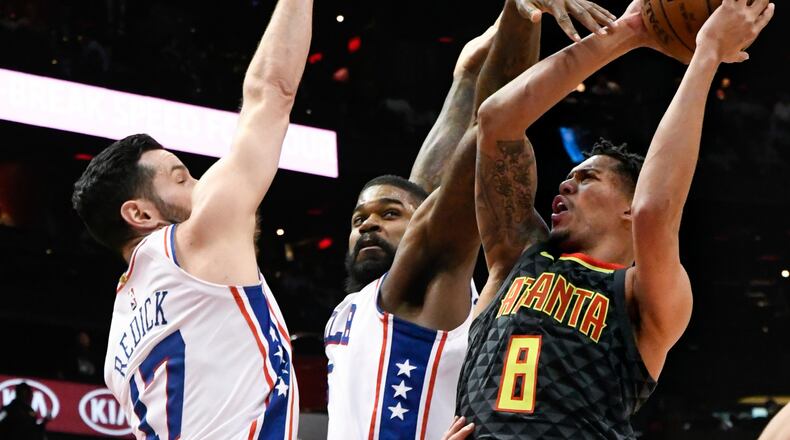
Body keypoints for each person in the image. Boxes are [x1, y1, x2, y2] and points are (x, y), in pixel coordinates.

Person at [455, 0, 775, 438]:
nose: (565, 184)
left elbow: (654, 211)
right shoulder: (517, 258)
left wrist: (707, 53)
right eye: (569, 177)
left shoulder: (642, 294)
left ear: (628, 206)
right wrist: (628, 31)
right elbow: (496, 122)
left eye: (587, 178)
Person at [325, 0, 616, 438]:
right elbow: (424, 185)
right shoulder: (364, 303)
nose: (367, 224)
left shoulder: (430, 284)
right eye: (358, 218)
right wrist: (464, 79)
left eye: (388, 214)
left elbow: (492, 132)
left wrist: (522, 14)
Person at [70, 0, 313, 437]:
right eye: (182, 178)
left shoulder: (115, 347)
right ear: (140, 213)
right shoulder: (194, 240)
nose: (200, 185)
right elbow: (271, 92)